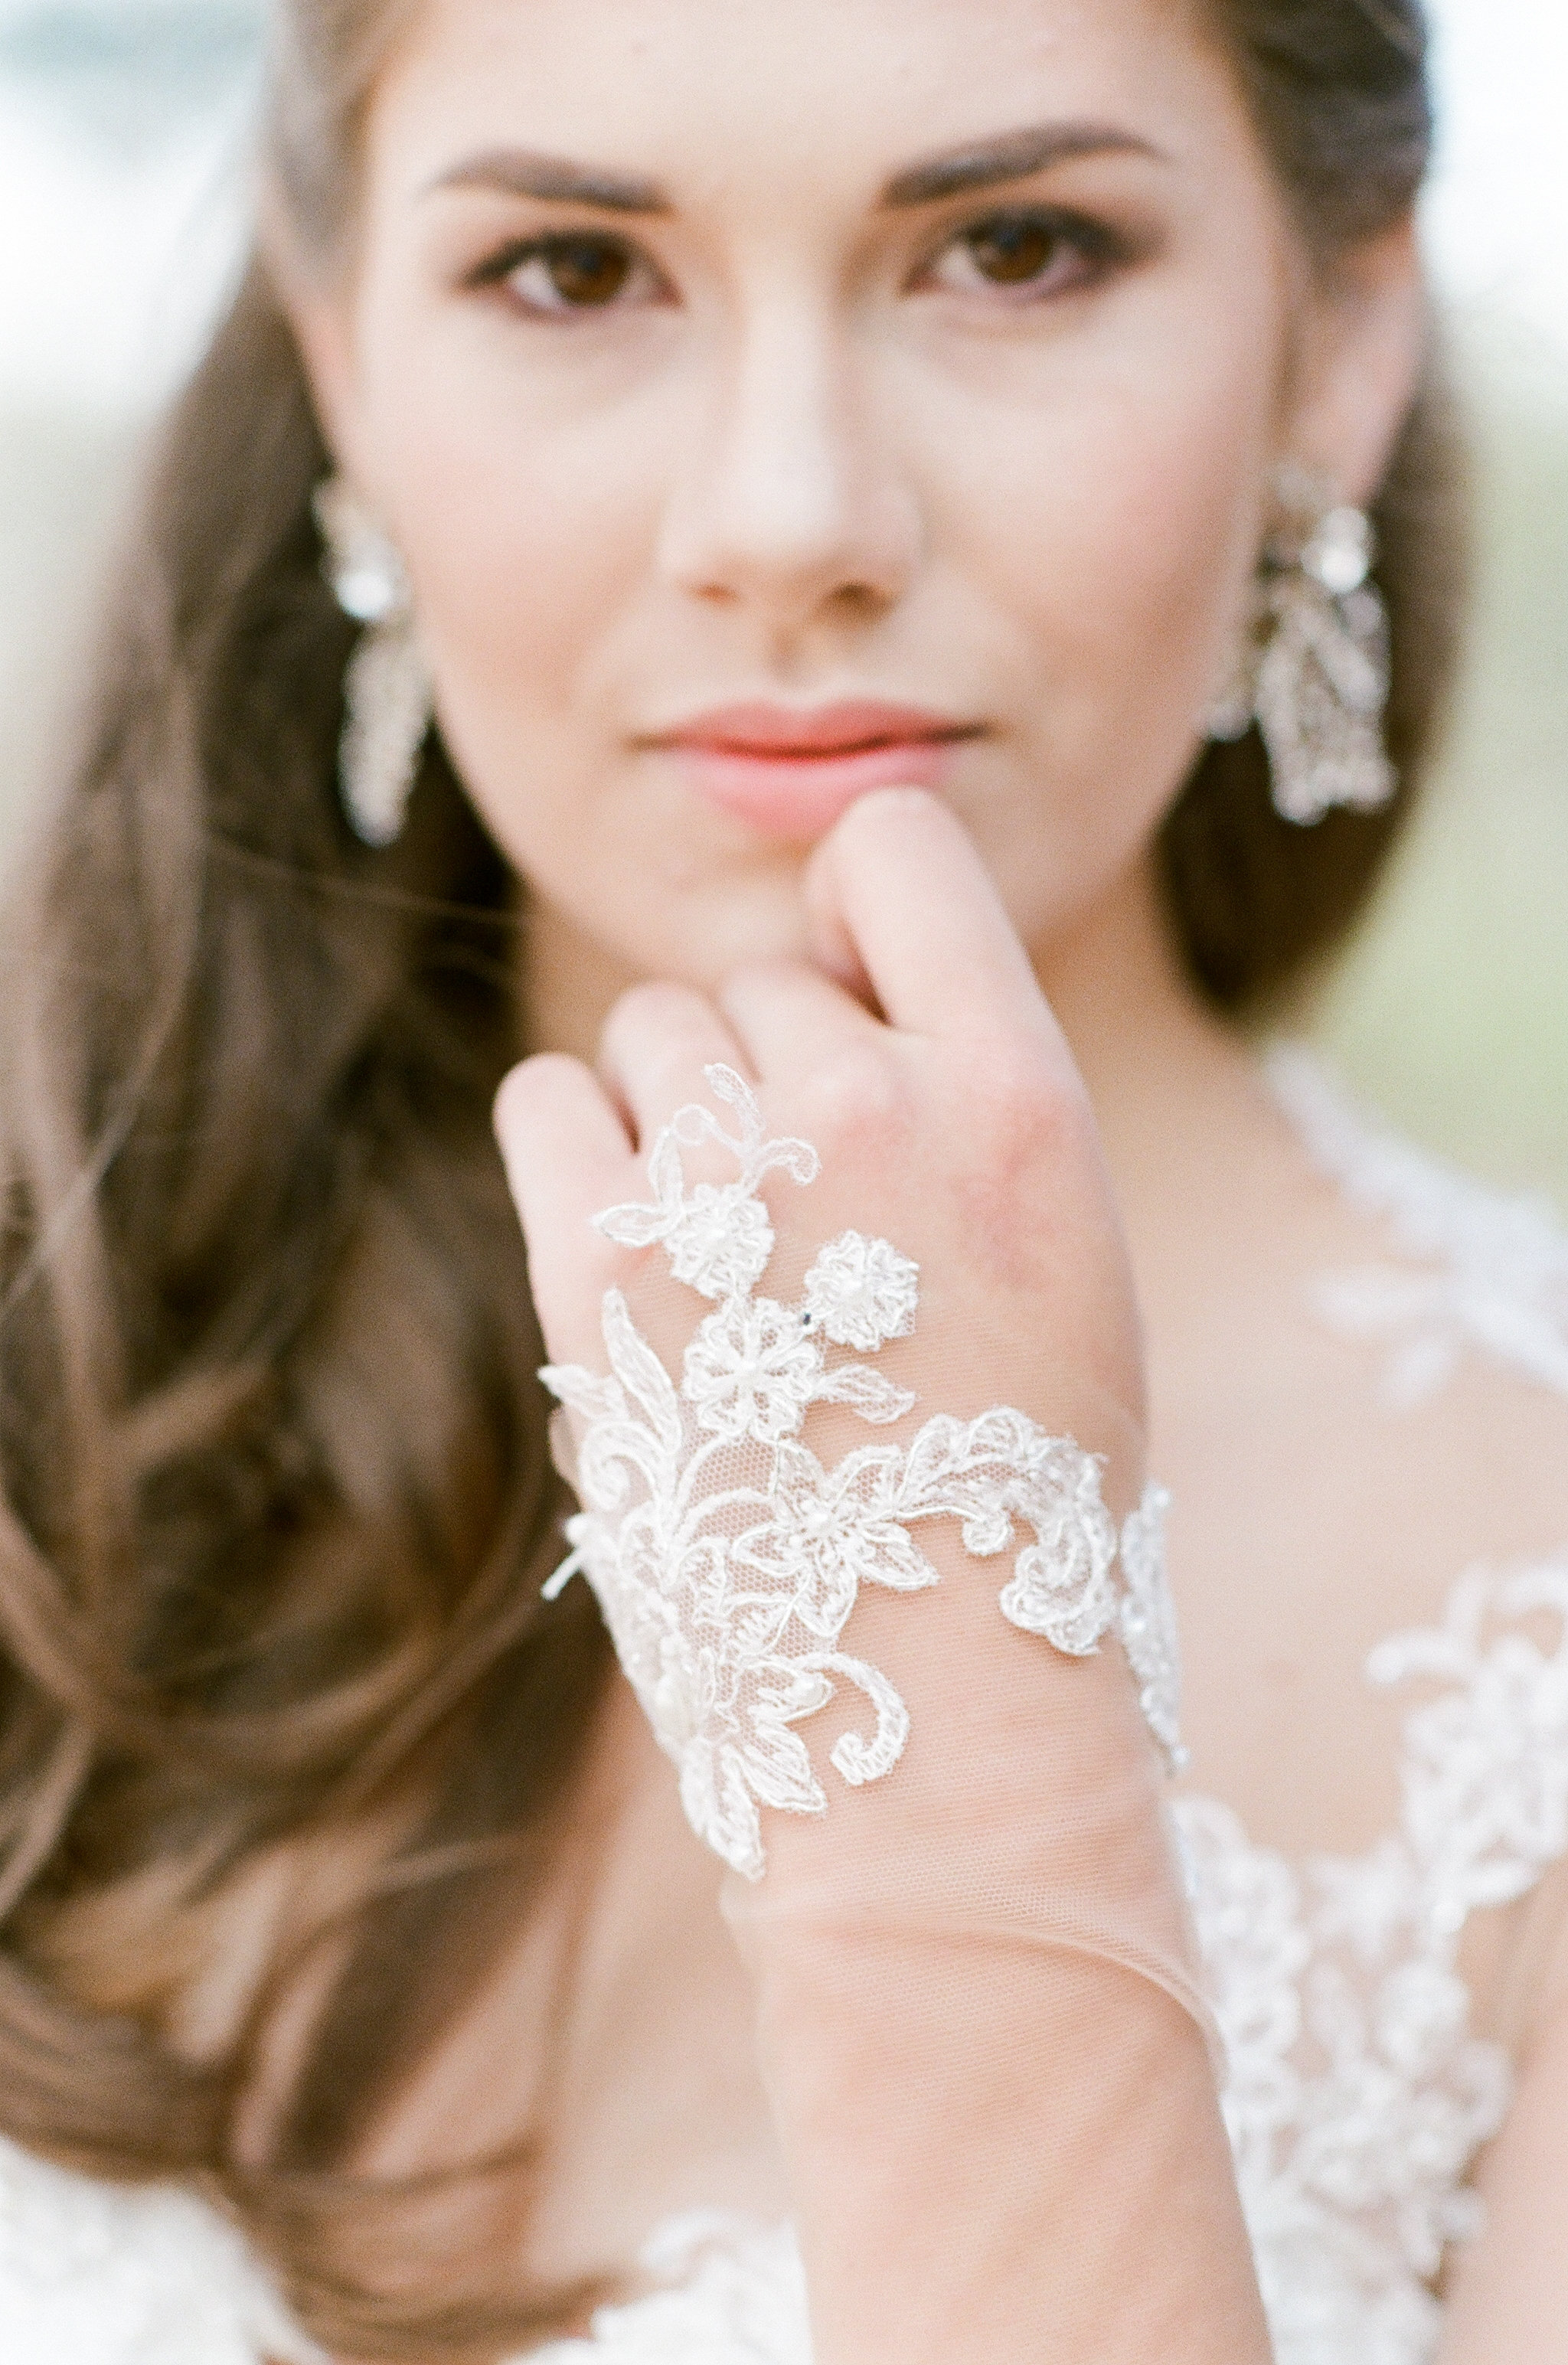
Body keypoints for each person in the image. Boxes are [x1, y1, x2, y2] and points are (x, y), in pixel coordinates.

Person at [1, 0, 1565, 2358]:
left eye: (1019, 249)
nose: (790, 520)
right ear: (341, 363)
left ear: (1337, 343)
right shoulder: (72, 1385)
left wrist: (971, 1757)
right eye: (569, 271)